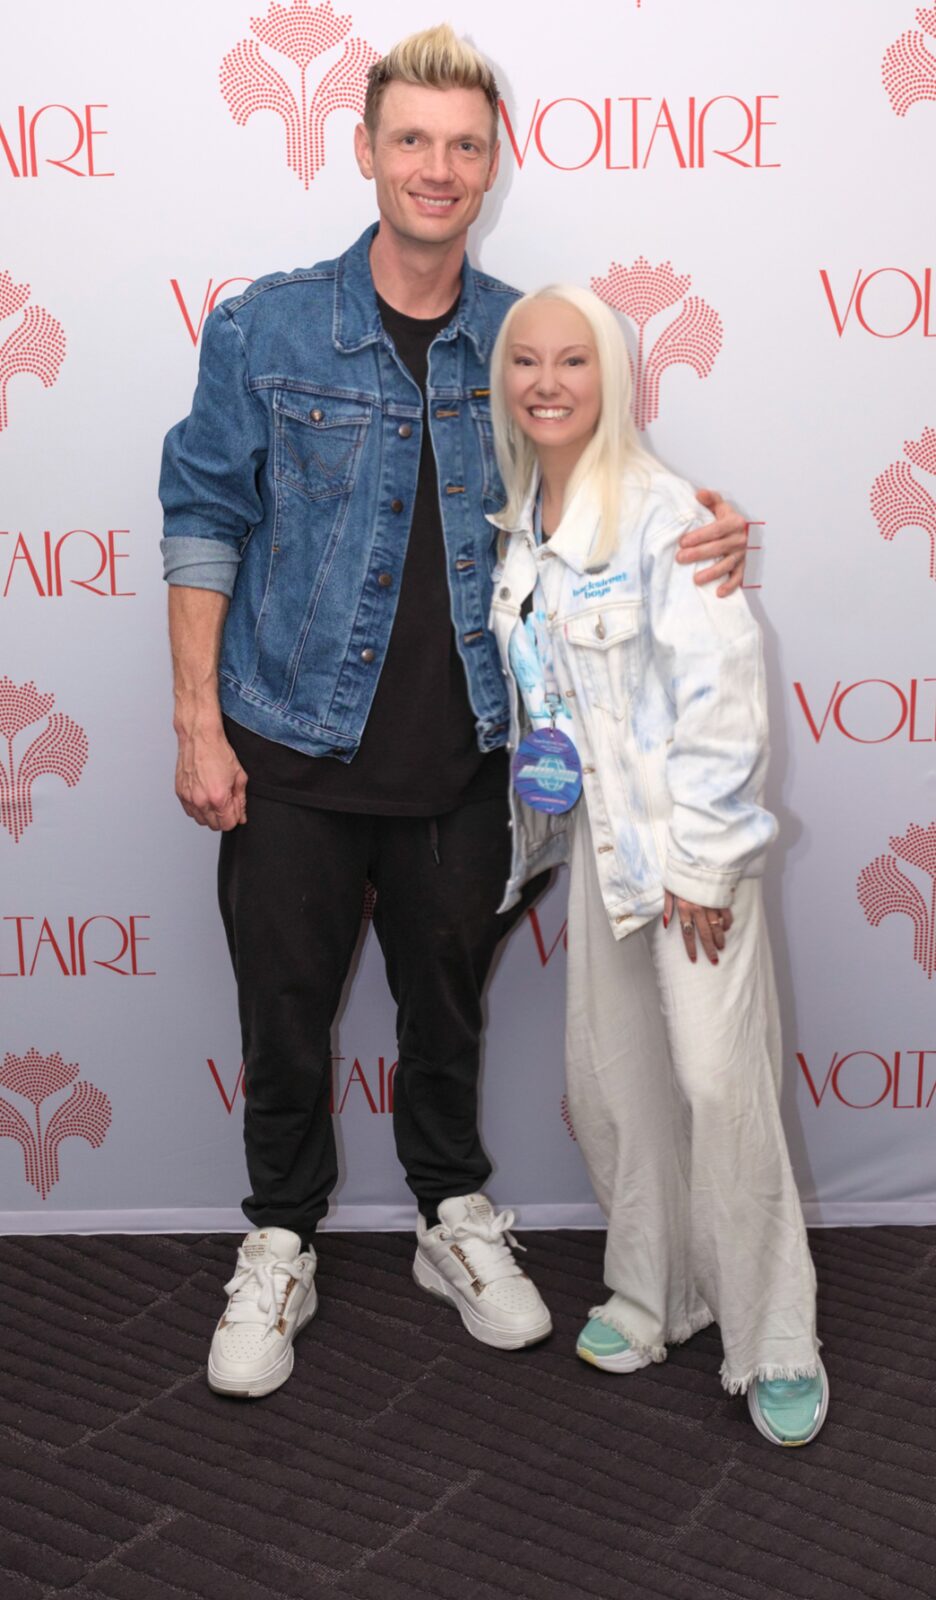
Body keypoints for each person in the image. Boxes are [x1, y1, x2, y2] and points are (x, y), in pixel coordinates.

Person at [158, 25, 749, 1401]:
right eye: (410, 140)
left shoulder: (520, 335)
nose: (437, 166)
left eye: (463, 144)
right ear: (364, 151)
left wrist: (701, 517)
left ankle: (452, 1218)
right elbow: (204, 516)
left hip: (472, 753)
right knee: (285, 1010)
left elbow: (606, 482)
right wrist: (197, 719)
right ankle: (280, 1235)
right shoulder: (266, 323)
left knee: (449, 1009)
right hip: (289, 742)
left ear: (494, 164)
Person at [487, 284, 828, 1446]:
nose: (546, 382)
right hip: (600, 846)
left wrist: (704, 856)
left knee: (721, 1088)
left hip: (690, 850)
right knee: (617, 1081)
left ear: (614, 376)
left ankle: (775, 1333)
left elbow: (723, 696)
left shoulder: (665, 510)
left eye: (571, 361)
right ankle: (654, 1292)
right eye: (525, 362)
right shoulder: (525, 509)